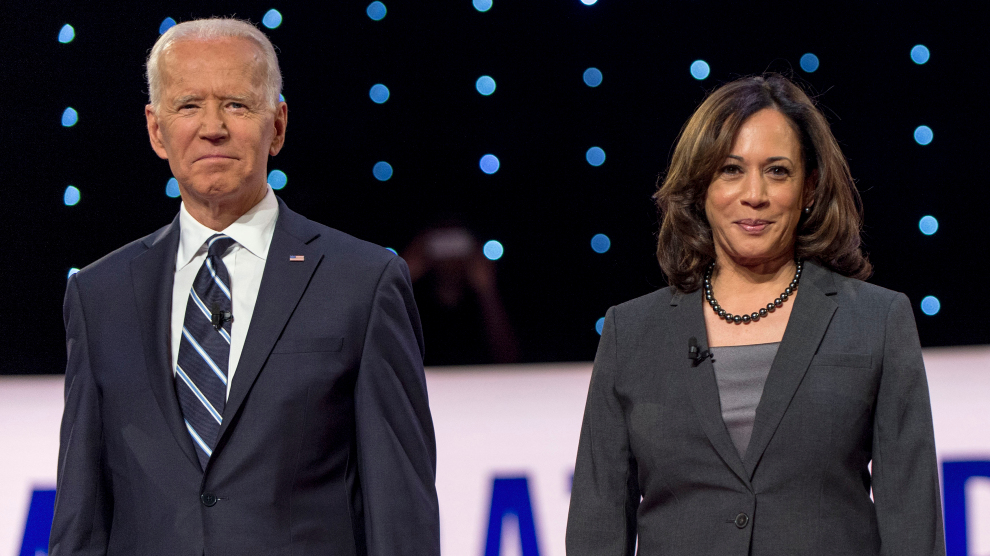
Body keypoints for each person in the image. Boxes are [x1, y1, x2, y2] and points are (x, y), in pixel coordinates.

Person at [50, 18, 440, 556]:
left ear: (277, 125)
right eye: (188, 105)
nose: (212, 127)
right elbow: (81, 513)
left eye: (236, 104)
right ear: (156, 130)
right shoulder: (99, 296)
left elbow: (401, 513)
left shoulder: (363, 283)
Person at [565, 74, 945, 555]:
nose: (754, 195)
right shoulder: (631, 333)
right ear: (701, 184)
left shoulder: (876, 321)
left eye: (778, 171)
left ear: (809, 188)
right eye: (730, 169)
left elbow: (913, 522)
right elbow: (596, 529)